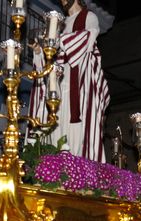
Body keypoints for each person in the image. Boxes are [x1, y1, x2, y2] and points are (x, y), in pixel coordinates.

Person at [30, 0, 110, 162]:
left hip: (79, 85)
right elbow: (49, 59)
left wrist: (60, 40)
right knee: (56, 124)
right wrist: (39, 52)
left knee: (78, 131)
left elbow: (88, 37)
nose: (63, 1)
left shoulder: (89, 17)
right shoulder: (60, 23)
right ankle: (56, 168)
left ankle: (78, 171)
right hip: (58, 84)